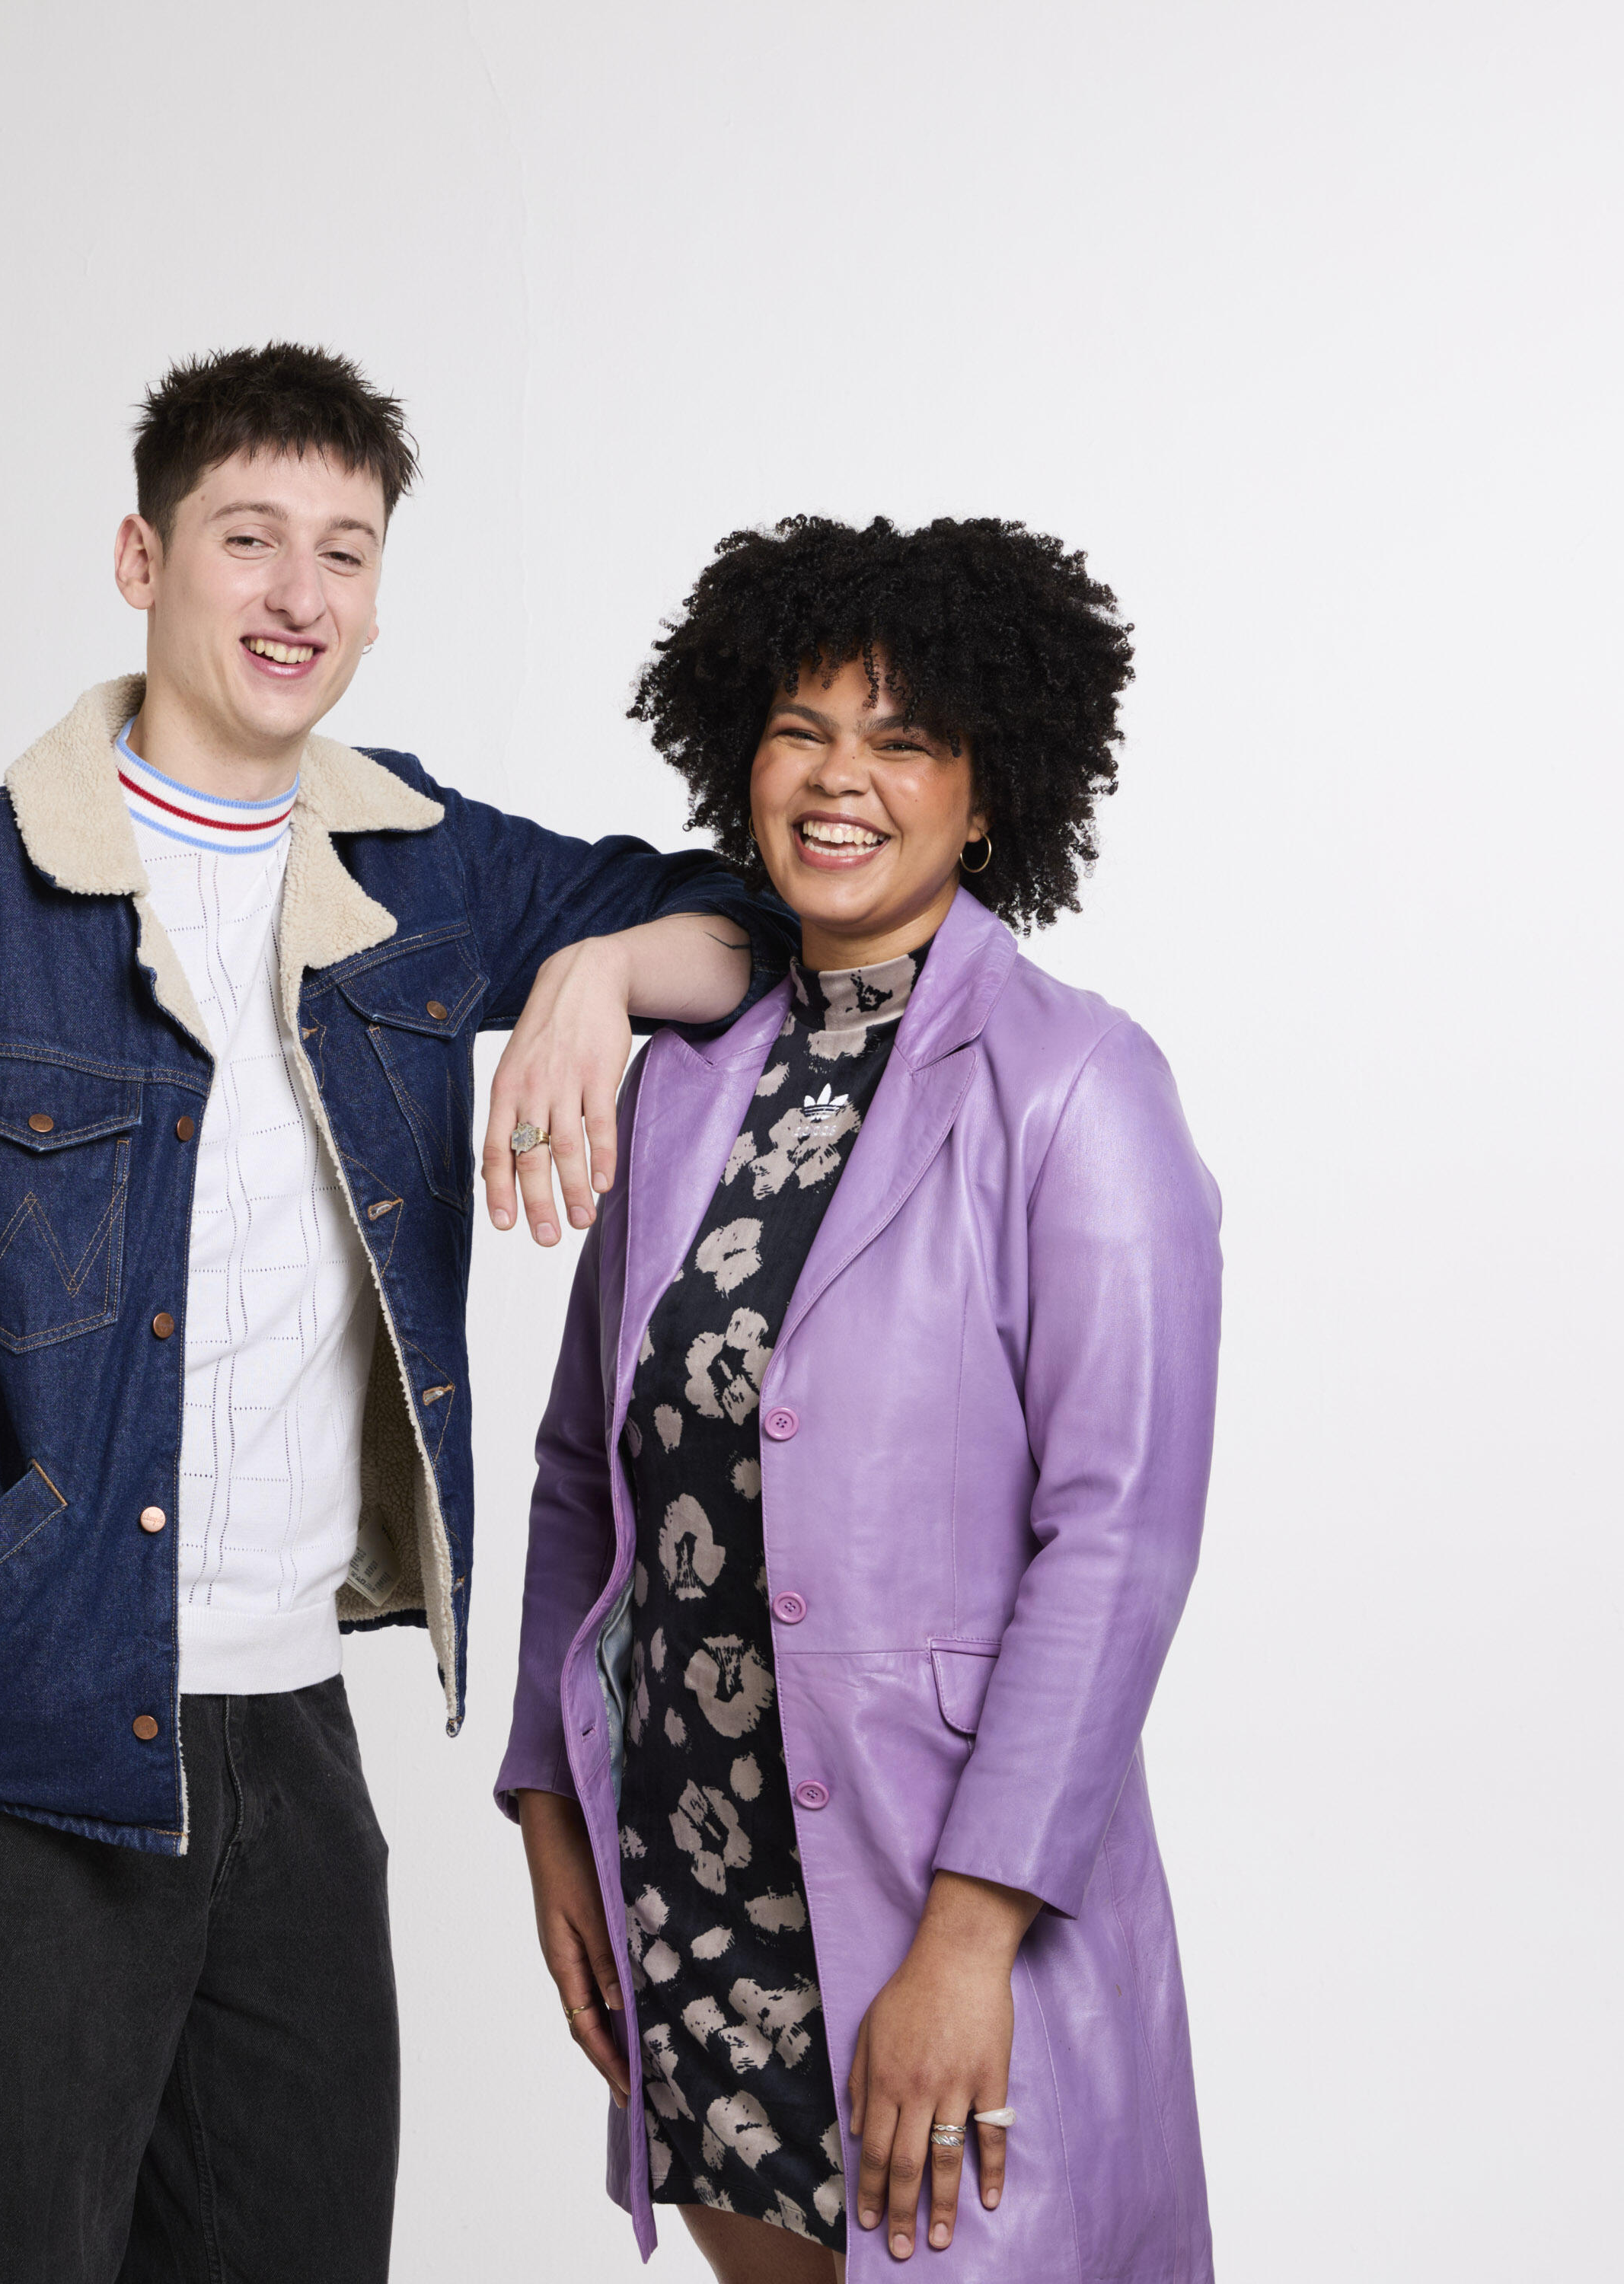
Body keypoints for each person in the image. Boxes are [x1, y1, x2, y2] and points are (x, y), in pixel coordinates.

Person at [0, 343, 785, 2284]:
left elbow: (741, 914)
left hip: (288, 1738)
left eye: (344, 552)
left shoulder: (419, 870)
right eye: (248, 538)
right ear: (142, 560)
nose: (298, 596)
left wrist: (592, 971)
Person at [497, 515, 1223, 2280]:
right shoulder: (683, 1085)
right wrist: (550, 1804)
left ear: (989, 797)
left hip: (944, 1885)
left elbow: (1116, 1536)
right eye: (803, 730)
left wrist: (970, 1942)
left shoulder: (1077, 1086)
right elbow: (584, 1472)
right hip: (695, 1872)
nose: (841, 780)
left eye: (904, 741)